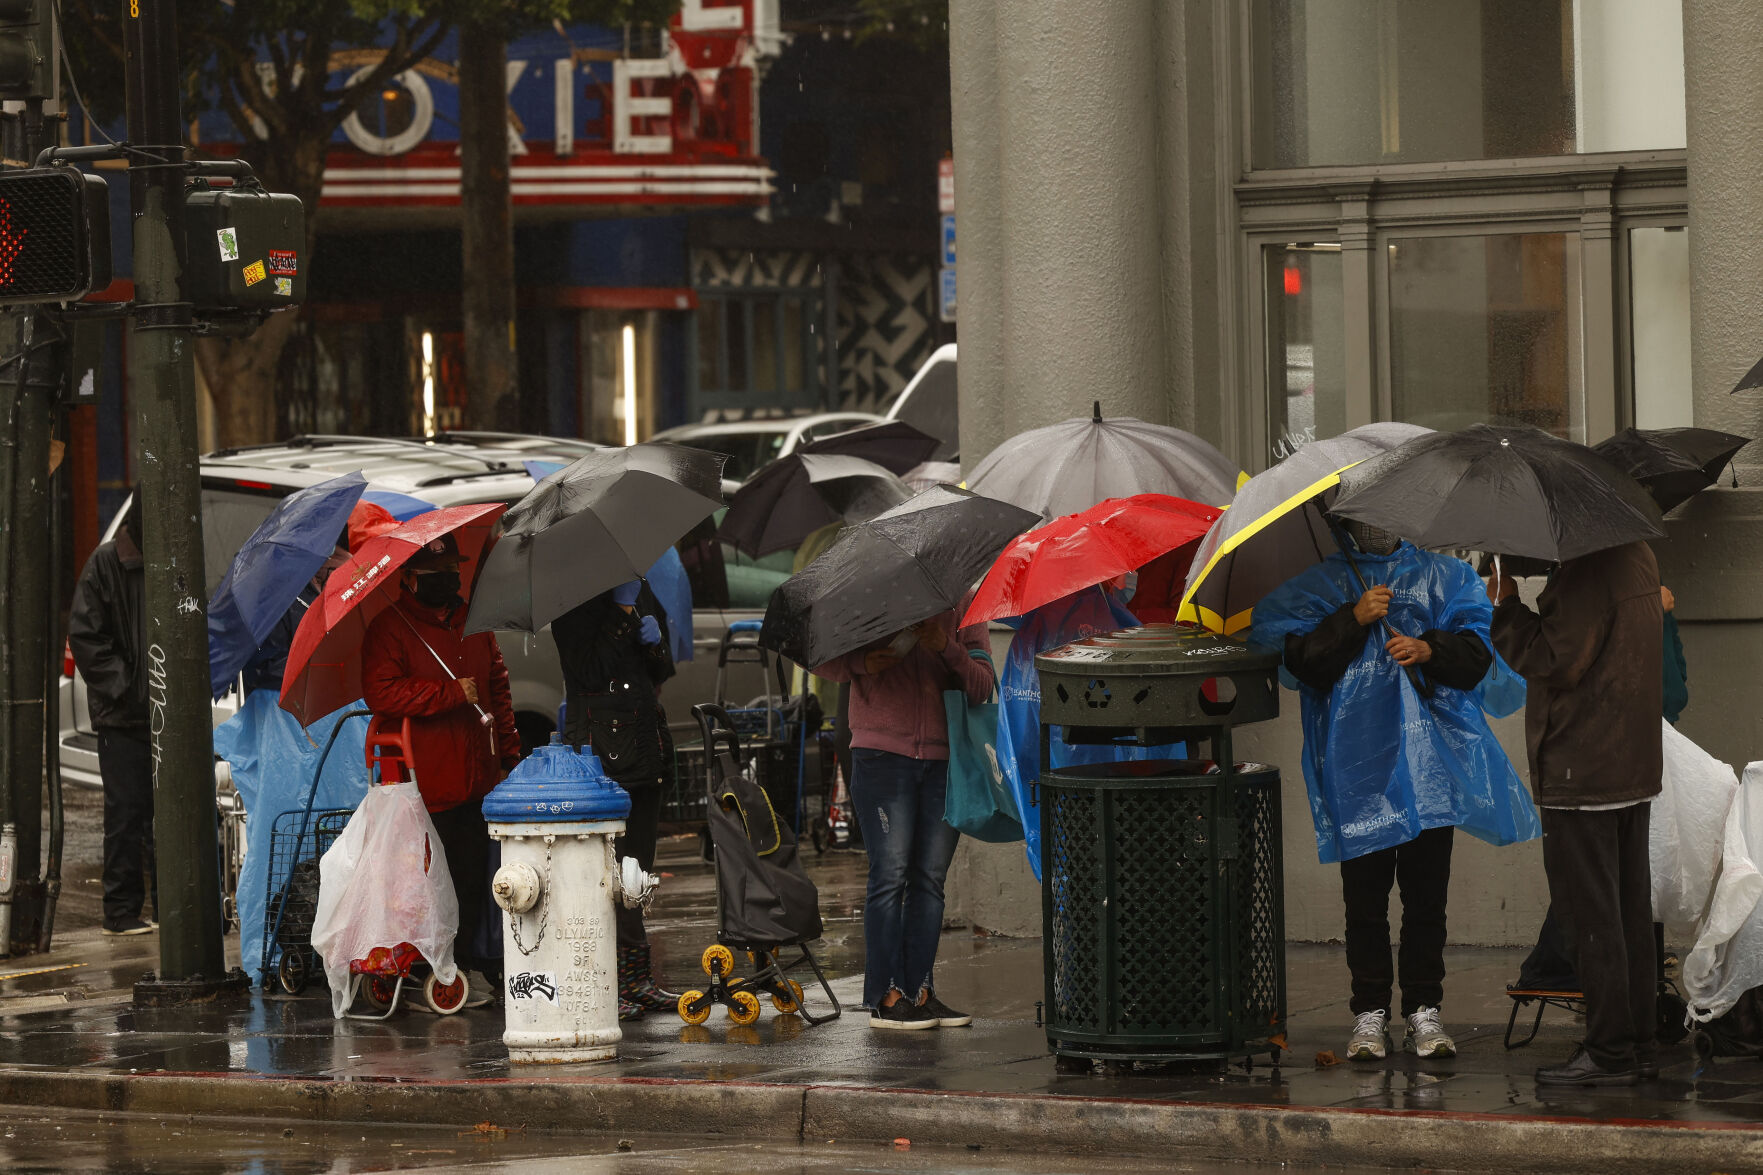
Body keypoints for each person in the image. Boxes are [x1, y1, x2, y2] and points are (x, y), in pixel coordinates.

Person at [1252, 519, 1535, 1063]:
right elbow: (1302, 663)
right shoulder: (1323, 585)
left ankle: (1424, 1011)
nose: (1375, 528)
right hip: (1358, 769)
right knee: (1365, 902)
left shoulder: (1444, 577)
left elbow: (1479, 656)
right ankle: (1370, 1013)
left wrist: (1430, 649)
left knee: (1427, 899)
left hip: (1432, 769)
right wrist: (1352, 620)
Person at [1488, 541, 1664, 1086]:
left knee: (1591, 918)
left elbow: (1556, 659)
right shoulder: (1635, 555)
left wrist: (1508, 606)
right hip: (1627, 762)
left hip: (1582, 767)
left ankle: (1610, 1050)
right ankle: (1637, 1040)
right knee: (1629, 912)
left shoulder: (1588, 569)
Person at [361, 533, 521, 1007]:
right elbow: (382, 692)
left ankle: (471, 963)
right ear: (409, 580)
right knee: (432, 884)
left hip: (479, 778)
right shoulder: (389, 629)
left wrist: (510, 756)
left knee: (476, 879)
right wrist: (449, 694)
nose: (448, 581)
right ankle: (437, 968)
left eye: (452, 571)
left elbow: (498, 690)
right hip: (427, 784)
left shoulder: (476, 622)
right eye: (436, 575)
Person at [816, 611, 992, 1030]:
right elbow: (821, 658)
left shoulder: (966, 605)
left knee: (929, 880)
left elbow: (982, 686)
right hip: (881, 757)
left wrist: (943, 645)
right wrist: (862, 662)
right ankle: (886, 995)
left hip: (945, 759)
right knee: (890, 875)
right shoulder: (874, 598)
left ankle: (920, 992)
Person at [553, 577, 678, 1020]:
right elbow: (587, 670)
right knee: (604, 873)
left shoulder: (639, 584)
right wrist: (622, 618)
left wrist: (655, 642)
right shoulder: (571, 597)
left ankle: (636, 979)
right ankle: (603, 983)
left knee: (636, 872)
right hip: (601, 753)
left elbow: (660, 671)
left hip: (643, 747)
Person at [68, 493, 156, 937]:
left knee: (167, 815)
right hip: (124, 717)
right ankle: (121, 911)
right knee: (127, 814)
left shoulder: (169, 559)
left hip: (158, 713)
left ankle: (165, 905)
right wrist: (125, 689)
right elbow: (85, 634)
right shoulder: (105, 565)